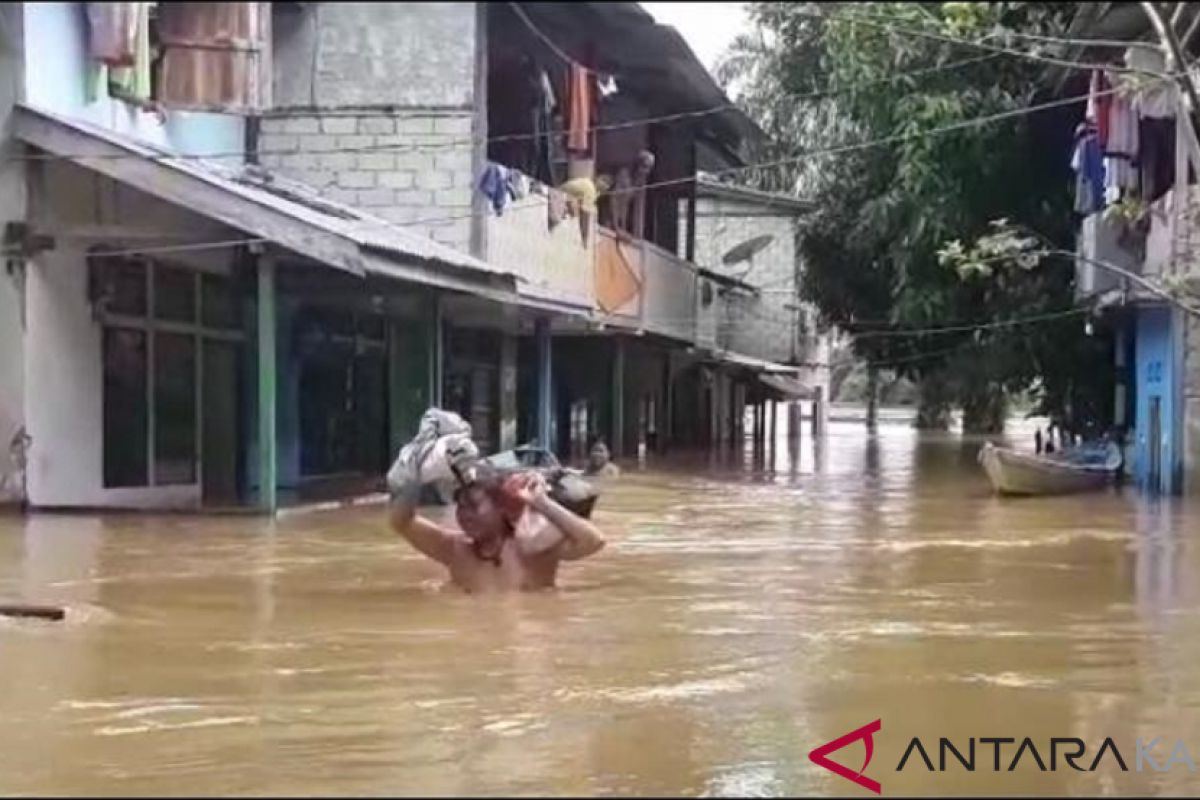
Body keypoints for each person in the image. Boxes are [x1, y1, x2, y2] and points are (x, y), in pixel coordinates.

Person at [388, 467, 607, 593]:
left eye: (473, 506)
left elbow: (594, 541)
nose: (464, 515)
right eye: (460, 507)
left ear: (503, 508)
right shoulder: (455, 549)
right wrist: (414, 475)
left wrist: (541, 502)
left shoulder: (532, 547)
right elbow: (402, 522)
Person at [609, 150, 655, 239]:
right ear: (637, 164)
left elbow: (639, 207)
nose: (647, 171)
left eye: (649, 168)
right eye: (645, 167)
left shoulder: (640, 180)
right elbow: (614, 200)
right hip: (610, 217)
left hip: (623, 218)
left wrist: (638, 234)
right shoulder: (624, 175)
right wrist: (616, 227)